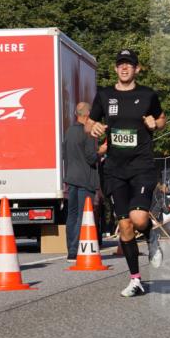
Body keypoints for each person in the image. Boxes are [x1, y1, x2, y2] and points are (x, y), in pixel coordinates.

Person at [87, 49, 166, 297]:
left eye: (129, 65)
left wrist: (156, 123)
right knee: (124, 225)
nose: (124, 68)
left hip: (141, 166)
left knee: (139, 219)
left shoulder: (147, 95)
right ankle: (136, 279)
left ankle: (151, 234)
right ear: (115, 69)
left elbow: (161, 118)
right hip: (114, 170)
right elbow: (89, 122)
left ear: (137, 69)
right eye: (120, 64)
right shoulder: (104, 95)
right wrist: (94, 127)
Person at [65, 102, 107, 262]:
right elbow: (91, 157)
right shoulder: (89, 132)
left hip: (71, 178)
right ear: (88, 114)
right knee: (83, 215)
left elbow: (65, 154)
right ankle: (76, 251)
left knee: (72, 215)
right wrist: (101, 151)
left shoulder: (69, 131)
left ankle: (71, 249)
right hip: (85, 179)